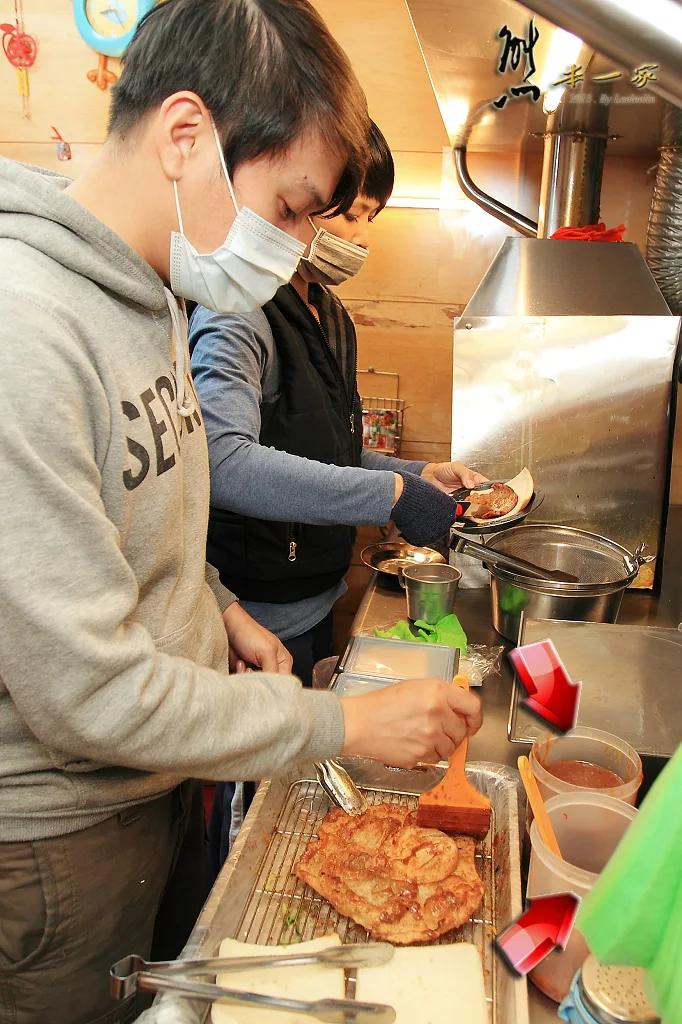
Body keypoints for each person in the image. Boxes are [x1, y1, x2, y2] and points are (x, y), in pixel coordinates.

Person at [0, 2, 482, 1022]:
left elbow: (150, 500)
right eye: (294, 205)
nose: (303, 242)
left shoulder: (153, 293)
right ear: (186, 137)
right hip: (55, 842)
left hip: (153, 784)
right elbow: (86, 694)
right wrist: (339, 721)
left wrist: (218, 604)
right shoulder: (24, 333)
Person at [190, 121, 486, 864]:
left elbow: (322, 447)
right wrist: (388, 494)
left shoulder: (329, 311)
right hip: (252, 619)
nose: (357, 232)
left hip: (314, 601)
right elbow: (222, 459)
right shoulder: (239, 311)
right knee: (260, 818)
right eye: (346, 210)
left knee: (310, 795)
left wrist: (418, 476)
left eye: (370, 218)